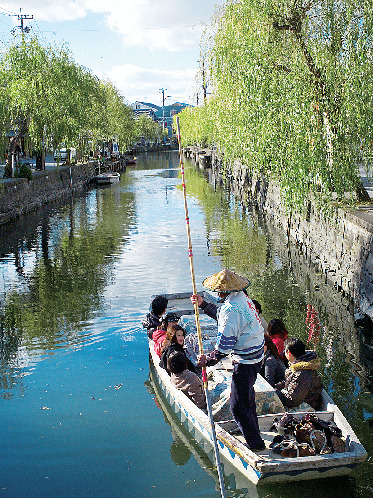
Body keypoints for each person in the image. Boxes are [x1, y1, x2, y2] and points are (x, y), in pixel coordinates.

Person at [192, 268, 266, 452]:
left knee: (238, 406)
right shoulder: (242, 298)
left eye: (219, 290)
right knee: (247, 398)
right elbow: (221, 314)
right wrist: (203, 304)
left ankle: (255, 445)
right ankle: (254, 433)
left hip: (246, 362)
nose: (217, 293)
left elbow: (223, 349)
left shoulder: (231, 309)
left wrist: (206, 360)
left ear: (224, 291)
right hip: (256, 356)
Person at [275, 337, 323, 410]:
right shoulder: (300, 366)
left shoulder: (302, 373)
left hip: (307, 406)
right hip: (302, 400)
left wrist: (275, 393)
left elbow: (292, 401)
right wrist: (275, 387)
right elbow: (290, 383)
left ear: (289, 353)